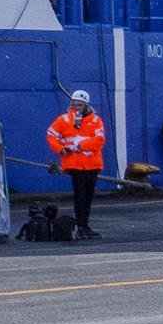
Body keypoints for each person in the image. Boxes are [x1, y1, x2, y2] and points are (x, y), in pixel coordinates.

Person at [46, 88, 108, 238]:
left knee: (88, 196)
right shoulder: (64, 120)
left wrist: (80, 146)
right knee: (80, 195)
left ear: (86, 105)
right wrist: (61, 150)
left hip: (92, 164)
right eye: (75, 105)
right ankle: (82, 226)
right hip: (74, 164)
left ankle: (83, 226)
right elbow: (51, 135)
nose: (77, 108)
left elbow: (99, 141)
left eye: (80, 105)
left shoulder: (95, 121)